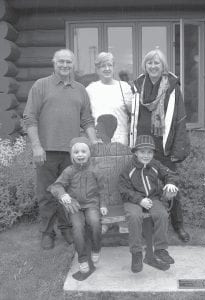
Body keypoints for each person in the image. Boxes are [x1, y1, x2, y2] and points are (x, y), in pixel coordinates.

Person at [23, 49, 98, 250]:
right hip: (46, 151)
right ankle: (47, 232)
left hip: (73, 154)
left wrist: (94, 143)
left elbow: (87, 119)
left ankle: (66, 228)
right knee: (47, 194)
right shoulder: (41, 85)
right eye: (61, 62)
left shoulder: (80, 89)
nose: (65, 65)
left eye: (68, 62)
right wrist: (37, 146)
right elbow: (29, 117)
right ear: (53, 63)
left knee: (70, 193)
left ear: (73, 64)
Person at [130, 49, 190, 242]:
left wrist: (178, 149)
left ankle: (178, 225)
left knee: (169, 185)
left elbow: (180, 119)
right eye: (149, 63)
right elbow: (132, 115)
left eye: (157, 63)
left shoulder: (171, 86)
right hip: (143, 145)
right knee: (141, 185)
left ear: (163, 66)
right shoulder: (138, 85)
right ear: (144, 66)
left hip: (164, 145)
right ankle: (146, 225)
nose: (153, 66)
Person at [49, 137, 107, 280]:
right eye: (76, 152)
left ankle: (96, 248)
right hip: (75, 206)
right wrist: (63, 195)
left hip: (92, 204)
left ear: (89, 153)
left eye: (83, 151)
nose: (80, 154)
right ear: (71, 155)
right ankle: (82, 258)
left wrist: (103, 204)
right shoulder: (69, 171)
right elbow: (55, 186)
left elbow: (103, 189)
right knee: (77, 227)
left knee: (94, 223)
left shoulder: (96, 169)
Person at [118, 135, 178, 273]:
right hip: (133, 200)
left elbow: (170, 174)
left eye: (149, 152)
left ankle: (160, 250)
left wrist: (170, 183)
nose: (146, 155)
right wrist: (139, 200)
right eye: (142, 152)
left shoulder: (155, 165)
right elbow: (123, 189)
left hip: (152, 198)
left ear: (153, 154)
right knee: (134, 216)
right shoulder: (128, 168)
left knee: (162, 214)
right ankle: (136, 253)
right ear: (135, 152)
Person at [86, 52, 133, 146]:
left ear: (113, 67)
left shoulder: (124, 87)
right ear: (97, 69)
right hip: (99, 143)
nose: (107, 68)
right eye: (103, 66)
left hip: (120, 142)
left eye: (110, 65)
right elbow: (86, 117)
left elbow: (134, 113)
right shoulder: (90, 89)